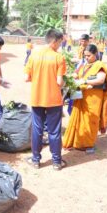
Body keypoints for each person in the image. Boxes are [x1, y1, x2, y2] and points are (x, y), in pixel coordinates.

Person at [24, 29, 67, 171]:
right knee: (54, 131)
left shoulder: (33, 55)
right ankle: (56, 162)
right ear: (55, 41)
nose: (61, 45)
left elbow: (26, 78)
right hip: (54, 99)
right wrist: (66, 83)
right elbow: (60, 82)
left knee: (37, 129)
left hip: (37, 97)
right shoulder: (59, 57)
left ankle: (35, 160)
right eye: (60, 42)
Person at [62, 44, 107, 153]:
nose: (86, 58)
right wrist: (67, 77)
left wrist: (85, 81)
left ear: (95, 54)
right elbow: (76, 74)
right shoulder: (83, 65)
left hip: (93, 99)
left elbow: (101, 80)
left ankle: (88, 145)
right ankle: (76, 141)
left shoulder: (99, 65)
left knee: (89, 120)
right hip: (81, 96)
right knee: (77, 118)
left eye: (89, 56)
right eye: (85, 56)